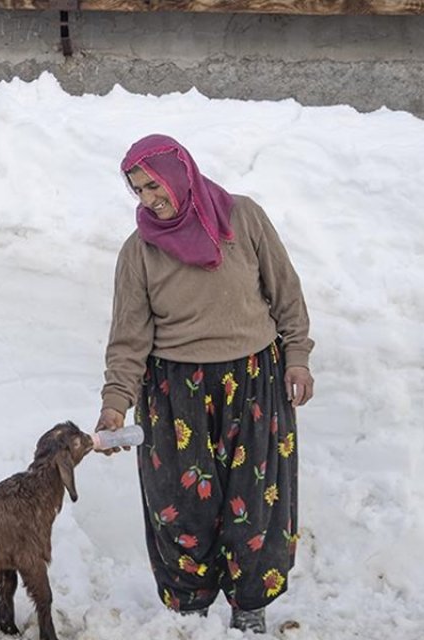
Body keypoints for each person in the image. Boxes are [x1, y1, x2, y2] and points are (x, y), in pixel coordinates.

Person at [96, 133, 314, 634]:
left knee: (256, 503)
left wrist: (297, 358)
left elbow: (286, 295)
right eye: (137, 190)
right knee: (181, 505)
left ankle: (249, 609)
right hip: (175, 393)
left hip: (254, 381)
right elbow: (128, 339)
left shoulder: (244, 218)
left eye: (154, 184)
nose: (149, 198)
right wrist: (115, 404)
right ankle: (190, 615)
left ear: (179, 173)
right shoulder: (140, 251)